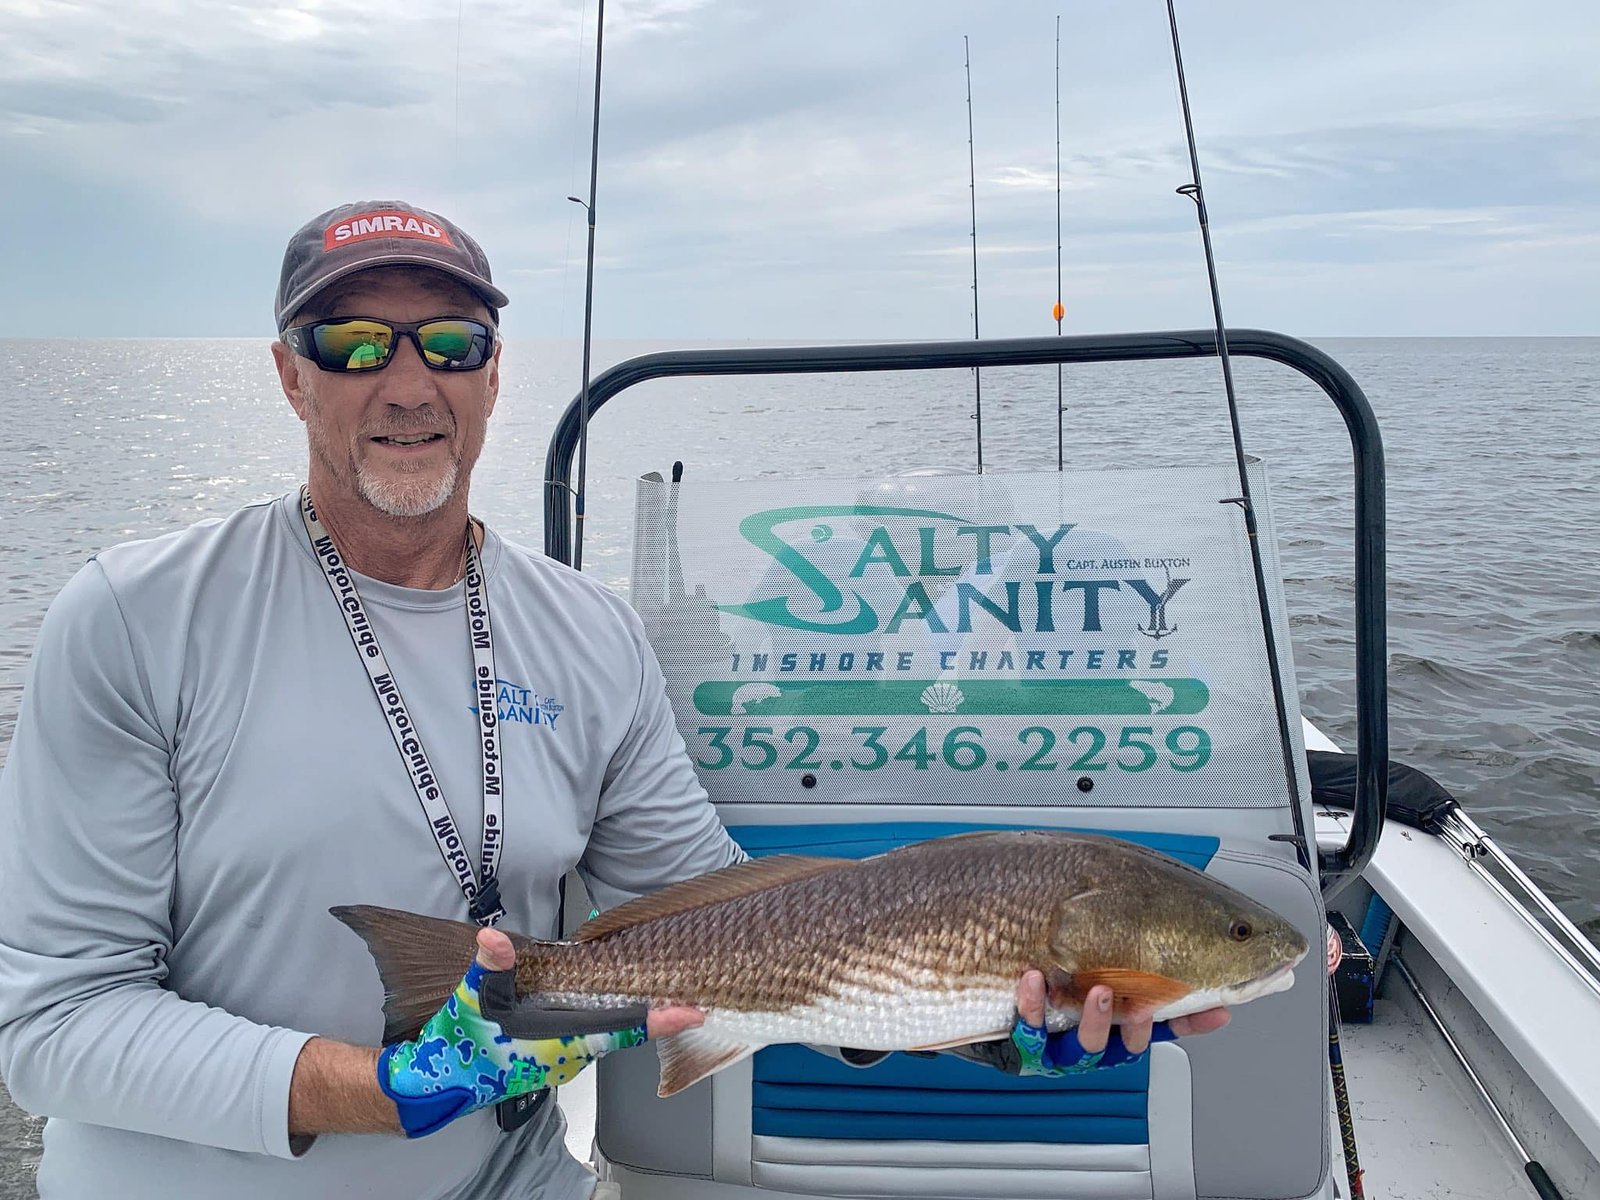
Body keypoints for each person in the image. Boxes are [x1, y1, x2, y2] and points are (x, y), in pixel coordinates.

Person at [0, 200, 1227, 1200]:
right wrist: (377, 1092)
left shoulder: (589, 632)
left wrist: (983, 1018)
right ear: (288, 375)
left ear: (493, 373)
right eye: (357, 343)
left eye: (452, 342)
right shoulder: (135, 617)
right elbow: (51, 1025)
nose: (409, 382)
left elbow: (739, 927)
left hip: (515, 1179)